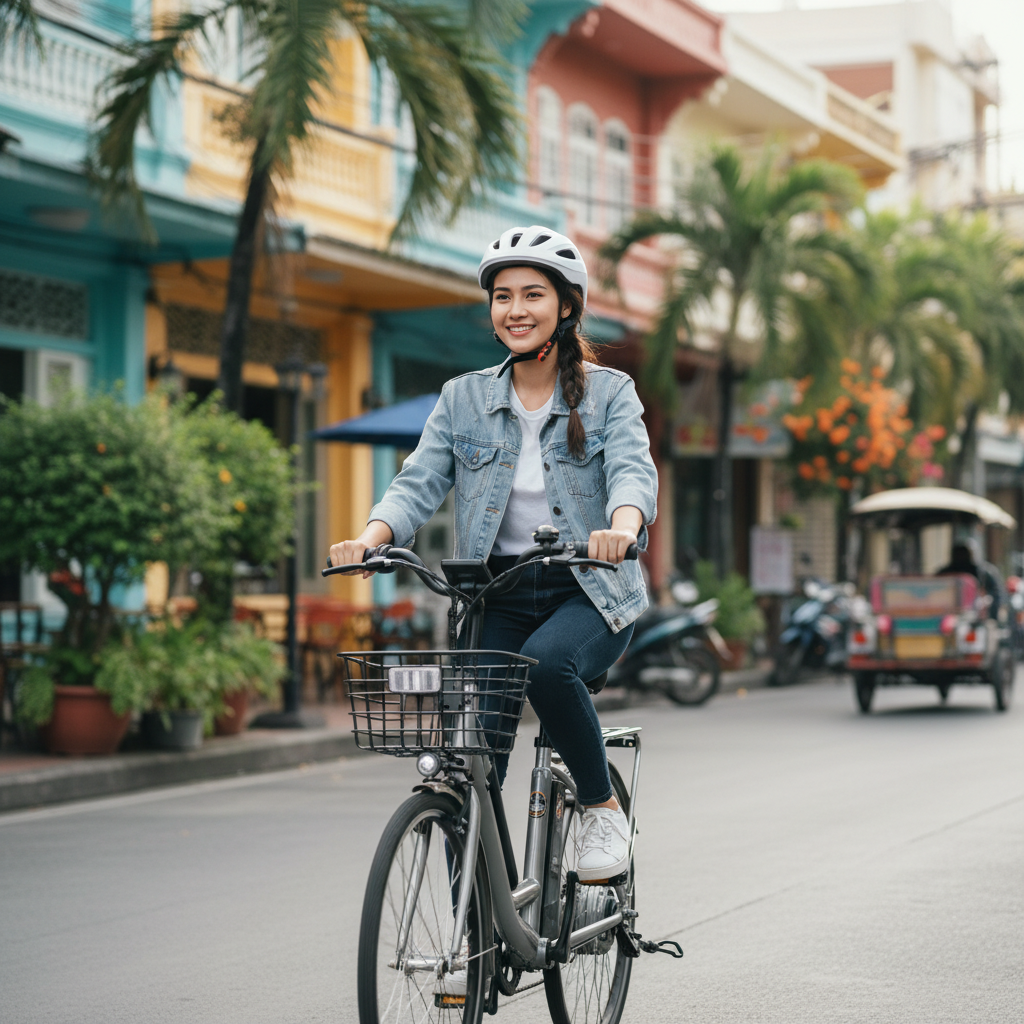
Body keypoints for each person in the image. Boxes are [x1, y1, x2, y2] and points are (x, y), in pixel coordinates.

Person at [330, 225, 658, 885]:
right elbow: (417, 483)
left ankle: (601, 807)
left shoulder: (610, 393)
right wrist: (371, 539)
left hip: (588, 589)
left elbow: (632, 472)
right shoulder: (463, 399)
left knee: (545, 667)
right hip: (495, 596)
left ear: (567, 306)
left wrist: (622, 526)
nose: (515, 309)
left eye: (533, 294)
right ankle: (471, 927)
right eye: (502, 295)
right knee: (468, 762)